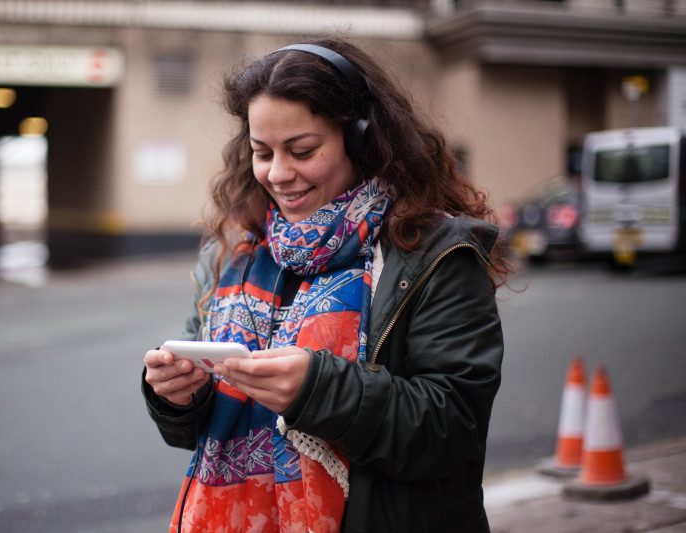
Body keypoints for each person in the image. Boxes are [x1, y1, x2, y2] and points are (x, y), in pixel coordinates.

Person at [142, 37, 510, 533]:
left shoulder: (437, 252)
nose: (278, 173)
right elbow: (197, 430)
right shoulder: (235, 251)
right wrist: (177, 397)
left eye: (302, 150)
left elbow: (452, 429)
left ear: (360, 140)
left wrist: (319, 390)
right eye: (261, 152)